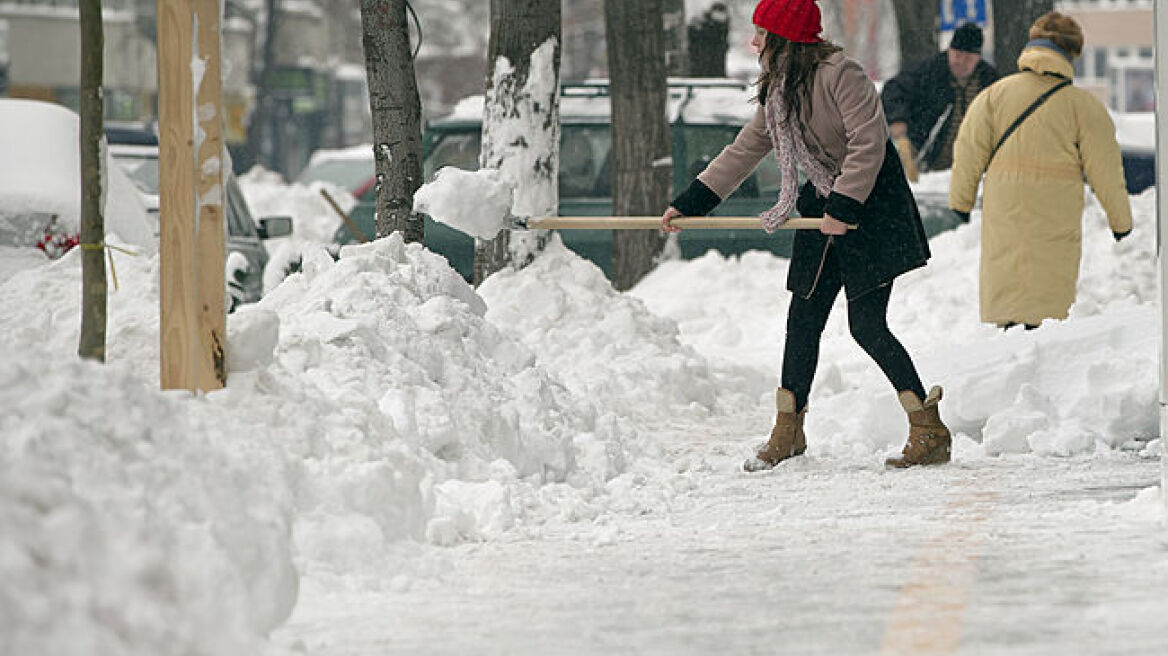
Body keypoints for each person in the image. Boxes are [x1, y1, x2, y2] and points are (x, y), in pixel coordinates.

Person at [661, 0, 951, 471]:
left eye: (761, 34)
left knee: (867, 325)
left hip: (872, 207)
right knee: (803, 318)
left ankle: (928, 429)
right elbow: (747, 148)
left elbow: (868, 142)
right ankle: (788, 431)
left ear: (785, 39)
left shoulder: (843, 74)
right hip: (823, 203)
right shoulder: (779, 89)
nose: (754, 43)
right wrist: (692, 201)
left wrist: (845, 205)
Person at [949, 11, 1133, 330]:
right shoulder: (1083, 106)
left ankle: (1008, 336)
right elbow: (1107, 170)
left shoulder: (994, 95)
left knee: (1008, 273)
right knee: (1048, 289)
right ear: (1071, 54)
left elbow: (968, 150)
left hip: (1005, 205)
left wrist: (961, 202)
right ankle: (1043, 345)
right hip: (1056, 209)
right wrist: (1121, 223)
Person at [881, 22, 1000, 178]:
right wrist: (897, 119)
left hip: (975, 165)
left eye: (968, 58)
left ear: (978, 58)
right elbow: (894, 90)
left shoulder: (989, 80)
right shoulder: (928, 70)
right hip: (927, 158)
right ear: (949, 51)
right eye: (957, 55)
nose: (961, 62)